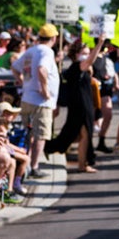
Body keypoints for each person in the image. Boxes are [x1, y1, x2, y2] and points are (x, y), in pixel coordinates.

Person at [45, 39, 105, 173]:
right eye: (84, 53)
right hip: (80, 106)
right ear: (76, 54)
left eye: (88, 53)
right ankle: (82, 164)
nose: (87, 55)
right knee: (83, 135)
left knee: (77, 135)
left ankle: (79, 161)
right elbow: (89, 61)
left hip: (85, 105)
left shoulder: (82, 69)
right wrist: (100, 43)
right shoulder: (76, 67)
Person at [11, 23, 60, 178]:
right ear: (53, 38)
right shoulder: (47, 52)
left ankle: (24, 166)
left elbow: (15, 66)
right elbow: (41, 69)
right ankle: (34, 166)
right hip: (41, 102)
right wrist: (45, 91)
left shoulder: (31, 50)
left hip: (27, 98)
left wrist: (22, 82)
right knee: (40, 135)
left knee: (28, 133)